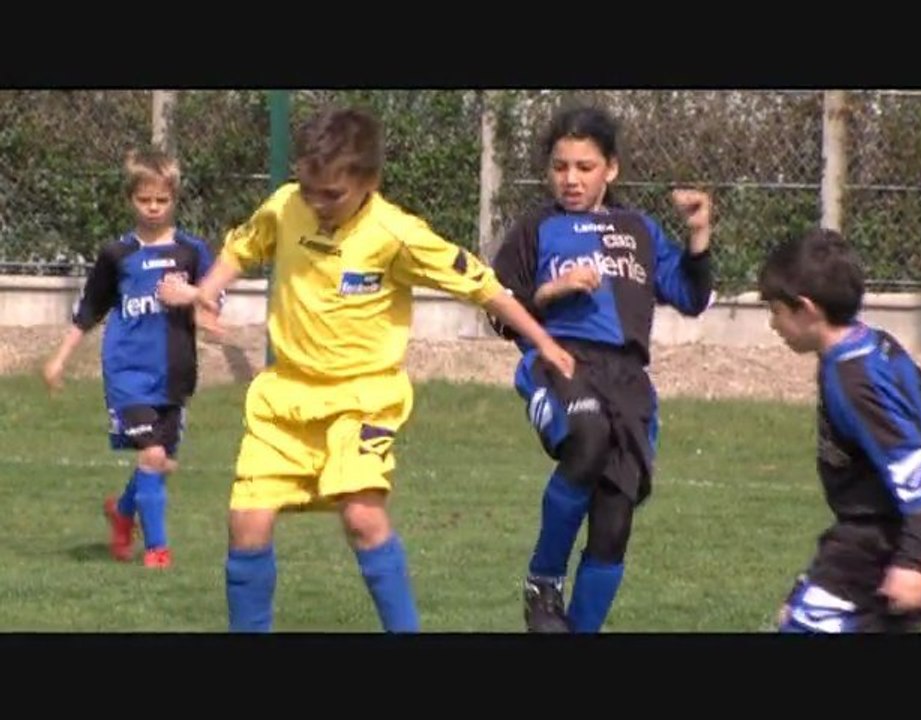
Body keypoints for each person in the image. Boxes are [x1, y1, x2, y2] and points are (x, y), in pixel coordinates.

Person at [156, 105, 575, 633]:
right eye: (309, 189)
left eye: (332, 194)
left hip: (363, 398)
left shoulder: (395, 233)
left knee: (362, 515)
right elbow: (246, 245)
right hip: (284, 396)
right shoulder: (287, 206)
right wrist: (209, 292)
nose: (318, 204)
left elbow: (481, 284)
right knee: (247, 525)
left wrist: (542, 340)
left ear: (369, 181)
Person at [489, 104, 714, 632]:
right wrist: (551, 290)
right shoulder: (535, 228)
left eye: (584, 167)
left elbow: (691, 295)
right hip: (559, 360)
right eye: (560, 166)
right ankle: (543, 582)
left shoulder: (638, 228)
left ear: (610, 169)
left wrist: (699, 234)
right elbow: (499, 311)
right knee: (586, 439)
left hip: (628, 382)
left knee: (614, 523)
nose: (570, 178)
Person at [759, 228, 921, 632]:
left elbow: (913, 468)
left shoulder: (853, 381)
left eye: (776, 311)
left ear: (806, 309)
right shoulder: (877, 343)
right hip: (877, 530)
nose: (772, 324)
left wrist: (913, 561)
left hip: (883, 538)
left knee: (801, 625)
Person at [43, 146, 219, 569]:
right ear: (130, 199)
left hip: (175, 373)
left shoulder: (192, 252)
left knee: (160, 462)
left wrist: (198, 303)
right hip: (127, 373)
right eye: (145, 200)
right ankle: (158, 550)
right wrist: (60, 359)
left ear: (175, 198)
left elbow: (215, 297)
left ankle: (123, 513)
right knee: (154, 457)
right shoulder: (116, 255)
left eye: (162, 200)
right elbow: (89, 310)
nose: (153, 208)